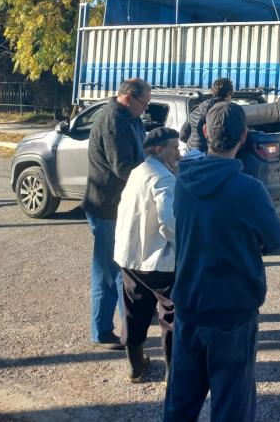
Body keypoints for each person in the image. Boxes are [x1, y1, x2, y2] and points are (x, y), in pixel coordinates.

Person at [164, 101, 280, 422]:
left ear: (204, 132)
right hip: (232, 314)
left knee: (180, 402)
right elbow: (276, 238)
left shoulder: (183, 182)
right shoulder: (249, 190)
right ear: (243, 136)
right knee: (231, 405)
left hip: (188, 307)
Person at [82, 77, 151, 349]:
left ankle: (129, 324)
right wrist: (152, 174)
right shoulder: (114, 120)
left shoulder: (131, 118)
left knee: (123, 268)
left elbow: (139, 153)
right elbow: (122, 166)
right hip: (105, 205)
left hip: (120, 205)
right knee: (110, 270)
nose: (144, 109)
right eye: (143, 103)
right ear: (127, 97)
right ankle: (102, 330)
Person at [114, 127, 180, 383]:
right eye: (173, 147)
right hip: (158, 261)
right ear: (158, 149)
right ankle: (173, 372)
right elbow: (170, 221)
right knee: (171, 314)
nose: (177, 152)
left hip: (130, 257)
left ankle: (135, 366)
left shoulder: (137, 172)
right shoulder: (163, 178)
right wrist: (182, 245)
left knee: (134, 310)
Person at [179, 77, 233, 153]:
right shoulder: (226, 112)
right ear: (229, 93)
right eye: (232, 94)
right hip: (210, 157)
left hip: (190, 155)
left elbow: (182, 136)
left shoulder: (197, 109)